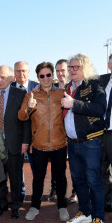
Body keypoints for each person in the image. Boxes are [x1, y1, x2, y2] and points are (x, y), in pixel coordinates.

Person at [18, 62, 69, 222]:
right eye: (42, 76)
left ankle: (62, 206)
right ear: (37, 77)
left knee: (60, 178)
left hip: (59, 144)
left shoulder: (61, 94)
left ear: (52, 75)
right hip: (39, 145)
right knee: (38, 178)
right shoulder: (30, 96)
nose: (45, 78)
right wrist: (28, 107)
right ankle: (34, 207)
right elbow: (21, 116)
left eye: (48, 75)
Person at [63, 53, 106, 223]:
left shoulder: (94, 85)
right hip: (72, 143)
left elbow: (99, 109)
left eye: (76, 67)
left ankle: (98, 218)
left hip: (91, 142)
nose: (72, 70)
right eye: (70, 67)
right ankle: (85, 213)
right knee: (78, 180)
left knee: (93, 181)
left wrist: (74, 104)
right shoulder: (67, 86)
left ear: (84, 68)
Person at [0, 65, 31, 219]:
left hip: (14, 143)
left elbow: (26, 120)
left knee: (15, 178)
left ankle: (15, 205)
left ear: (10, 78)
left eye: (3, 77)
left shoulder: (20, 94)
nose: (0, 80)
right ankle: (1, 205)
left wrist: (25, 142)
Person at [48, 59, 77, 204]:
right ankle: (54, 189)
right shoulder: (51, 89)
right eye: (57, 71)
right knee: (56, 165)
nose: (60, 73)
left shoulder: (75, 87)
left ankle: (74, 192)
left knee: (75, 165)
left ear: (68, 70)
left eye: (63, 70)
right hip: (57, 134)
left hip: (72, 134)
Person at [12, 61, 38, 200]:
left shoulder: (38, 87)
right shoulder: (9, 89)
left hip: (34, 137)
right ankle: (20, 194)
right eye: (17, 71)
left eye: (23, 71)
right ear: (14, 73)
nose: (21, 74)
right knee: (17, 169)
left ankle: (36, 195)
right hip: (16, 136)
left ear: (29, 72)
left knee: (36, 168)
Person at [99, 53, 112, 213]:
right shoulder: (101, 81)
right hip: (101, 133)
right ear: (109, 65)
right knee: (102, 169)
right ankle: (106, 201)